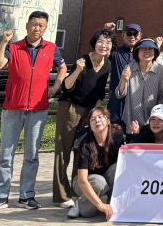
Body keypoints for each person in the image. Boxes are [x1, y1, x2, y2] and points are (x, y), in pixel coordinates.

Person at [0, 11, 67, 213]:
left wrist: (56, 86)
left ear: (45, 28)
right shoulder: (14, 47)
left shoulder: (51, 48)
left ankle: (26, 195)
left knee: (32, 155)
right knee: (6, 155)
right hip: (13, 108)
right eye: (34, 24)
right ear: (27, 25)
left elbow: (63, 68)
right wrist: (4, 43)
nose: (37, 28)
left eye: (41, 25)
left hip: (38, 110)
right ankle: (0, 196)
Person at [53, 28, 114, 208]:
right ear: (94, 43)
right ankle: (61, 196)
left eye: (108, 43)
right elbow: (67, 86)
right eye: (101, 41)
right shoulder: (82, 61)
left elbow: (100, 92)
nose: (104, 45)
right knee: (63, 150)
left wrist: (96, 111)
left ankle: (76, 190)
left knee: (81, 150)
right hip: (70, 107)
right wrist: (77, 70)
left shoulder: (107, 64)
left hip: (89, 111)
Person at [69, 107, 124, 219]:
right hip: (86, 181)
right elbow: (82, 181)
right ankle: (80, 204)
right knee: (88, 213)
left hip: (107, 175)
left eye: (100, 117)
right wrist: (100, 205)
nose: (97, 121)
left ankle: (112, 204)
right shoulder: (84, 144)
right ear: (90, 125)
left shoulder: (117, 136)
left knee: (118, 168)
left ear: (108, 120)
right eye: (93, 119)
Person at [114, 37, 163, 129]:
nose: (147, 51)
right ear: (137, 52)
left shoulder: (161, 71)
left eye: (150, 49)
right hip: (131, 121)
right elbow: (119, 94)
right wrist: (124, 80)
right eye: (143, 49)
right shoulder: (129, 68)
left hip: (153, 123)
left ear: (155, 52)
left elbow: (162, 98)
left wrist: (156, 119)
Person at [102, 21, 141, 124]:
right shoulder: (116, 52)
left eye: (135, 34)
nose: (132, 36)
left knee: (135, 129)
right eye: (129, 34)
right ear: (123, 36)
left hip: (136, 100)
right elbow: (104, 48)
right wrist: (107, 31)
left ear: (140, 36)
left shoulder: (143, 55)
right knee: (114, 128)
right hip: (117, 99)